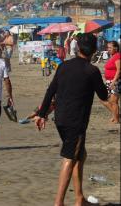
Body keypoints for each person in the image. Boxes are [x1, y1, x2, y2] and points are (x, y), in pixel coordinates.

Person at [35, 33, 109, 206]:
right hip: (76, 122)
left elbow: (50, 90)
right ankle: (58, 202)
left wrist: (41, 113)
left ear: (77, 48)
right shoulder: (92, 70)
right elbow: (104, 95)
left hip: (60, 118)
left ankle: (79, 199)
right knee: (70, 157)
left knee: (80, 155)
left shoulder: (64, 66)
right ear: (94, 50)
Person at [104, 41, 120, 123]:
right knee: (106, 100)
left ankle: (116, 119)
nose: (108, 49)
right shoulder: (112, 56)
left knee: (113, 101)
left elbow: (119, 70)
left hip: (115, 81)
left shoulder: (117, 56)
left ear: (116, 48)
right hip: (109, 81)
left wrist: (114, 81)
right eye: (108, 47)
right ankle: (116, 115)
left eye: (110, 47)